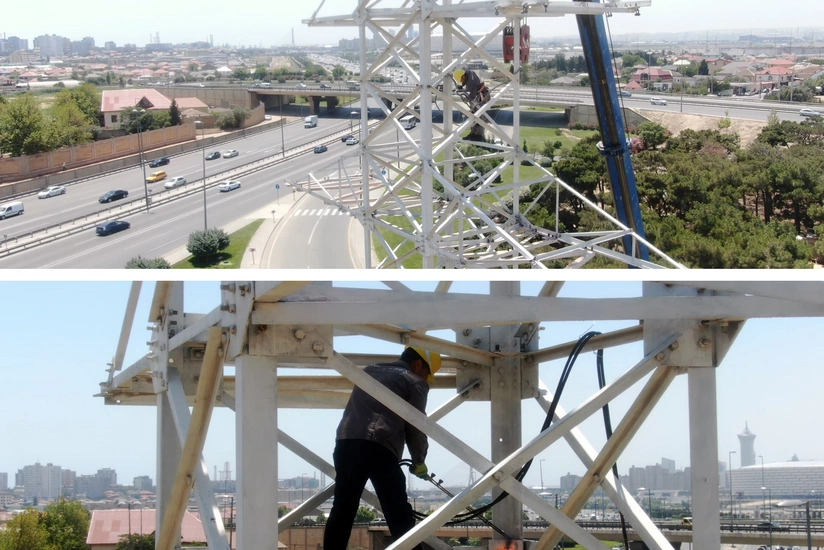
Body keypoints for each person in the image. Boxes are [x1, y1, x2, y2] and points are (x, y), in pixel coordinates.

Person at [323, 346, 442, 550]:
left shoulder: (369, 370)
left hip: (346, 443)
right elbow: (416, 425)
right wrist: (419, 460)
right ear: (419, 363)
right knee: (398, 512)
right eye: (427, 373)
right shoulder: (415, 381)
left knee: (343, 509)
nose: (426, 377)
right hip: (380, 447)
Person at [454, 68, 491, 141]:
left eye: (461, 80)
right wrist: (461, 88)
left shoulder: (472, 82)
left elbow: (472, 97)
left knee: (479, 115)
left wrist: (464, 96)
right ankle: (473, 133)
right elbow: (468, 85)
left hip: (482, 96)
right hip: (478, 94)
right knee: (472, 115)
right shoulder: (468, 72)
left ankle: (479, 135)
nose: (461, 82)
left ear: (463, 76)